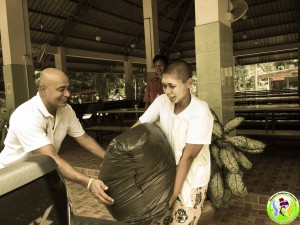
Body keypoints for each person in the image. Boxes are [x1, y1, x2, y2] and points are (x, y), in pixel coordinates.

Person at [0, 68, 114, 206]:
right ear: (43, 90)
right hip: (11, 179)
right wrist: (89, 182)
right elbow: (51, 158)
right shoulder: (26, 115)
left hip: (40, 173)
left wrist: (110, 159)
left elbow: (83, 138)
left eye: (68, 88)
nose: (67, 94)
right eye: (61, 89)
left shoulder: (66, 110)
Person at [132, 60, 214, 224]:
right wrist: (120, 149)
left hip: (191, 179)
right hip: (165, 174)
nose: (167, 91)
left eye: (172, 86)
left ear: (189, 83)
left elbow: (188, 157)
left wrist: (172, 196)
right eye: (164, 86)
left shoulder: (200, 112)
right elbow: (138, 128)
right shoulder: (162, 101)